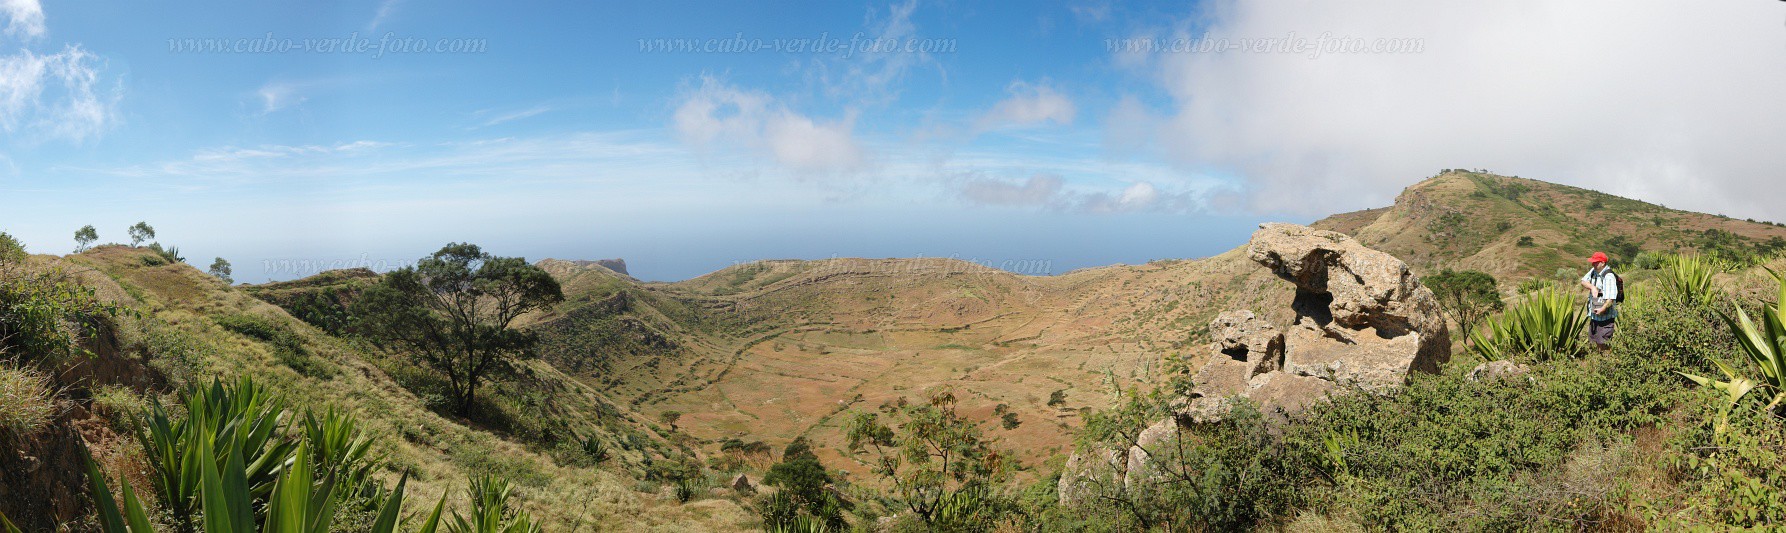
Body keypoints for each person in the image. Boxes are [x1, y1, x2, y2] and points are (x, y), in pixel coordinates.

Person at [1578, 252, 1618, 350]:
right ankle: (1599, 361)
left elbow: (1611, 298)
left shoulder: (1608, 276)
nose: (1593, 264)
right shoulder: (1594, 271)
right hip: (1595, 314)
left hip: (1606, 317)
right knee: (1595, 340)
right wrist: (1592, 287)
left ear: (1602, 263)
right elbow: (1583, 281)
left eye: (1595, 262)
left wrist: (1603, 308)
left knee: (1603, 342)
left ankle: (1606, 362)